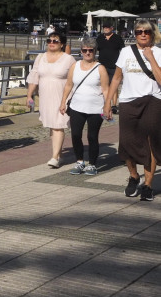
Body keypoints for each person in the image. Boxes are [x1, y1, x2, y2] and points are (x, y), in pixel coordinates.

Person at [104, 20, 161, 201]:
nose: (143, 34)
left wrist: (151, 58)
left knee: (150, 143)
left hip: (153, 101)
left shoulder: (159, 53)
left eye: (146, 31)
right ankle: (134, 176)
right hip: (128, 101)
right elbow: (116, 79)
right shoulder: (126, 52)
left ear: (153, 33)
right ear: (134, 34)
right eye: (139, 32)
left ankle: (148, 185)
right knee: (126, 142)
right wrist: (107, 102)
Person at [60, 37, 110, 176]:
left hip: (96, 108)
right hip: (77, 106)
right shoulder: (75, 66)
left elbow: (106, 89)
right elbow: (69, 85)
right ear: (81, 51)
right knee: (75, 135)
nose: (87, 53)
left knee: (92, 136)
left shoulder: (101, 68)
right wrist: (63, 101)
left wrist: (108, 106)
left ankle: (92, 164)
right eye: (84, 50)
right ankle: (80, 161)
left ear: (95, 51)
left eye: (90, 50)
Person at [26, 31, 76, 168]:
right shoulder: (40, 57)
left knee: (59, 125)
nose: (52, 43)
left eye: (55, 41)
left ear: (62, 44)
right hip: (46, 96)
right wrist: (29, 95)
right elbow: (34, 76)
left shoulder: (68, 59)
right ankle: (58, 155)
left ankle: (54, 157)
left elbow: (73, 80)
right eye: (49, 41)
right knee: (52, 125)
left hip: (62, 96)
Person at [96, 23, 125, 111]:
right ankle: (104, 103)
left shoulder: (117, 38)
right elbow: (95, 49)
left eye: (107, 27)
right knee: (103, 85)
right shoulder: (100, 38)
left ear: (112, 28)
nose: (106, 29)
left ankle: (114, 105)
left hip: (114, 65)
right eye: (104, 27)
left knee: (114, 85)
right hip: (102, 66)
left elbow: (123, 50)